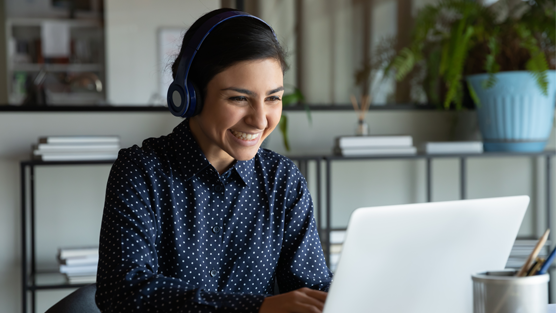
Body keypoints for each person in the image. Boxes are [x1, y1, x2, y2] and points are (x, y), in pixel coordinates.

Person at [95, 8, 332, 313]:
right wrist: (256, 308)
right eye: (239, 98)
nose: (260, 119)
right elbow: (123, 291)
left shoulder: (282, 180)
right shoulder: (142, 171)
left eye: (273, 98)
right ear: (189, 95)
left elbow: (310, 290)